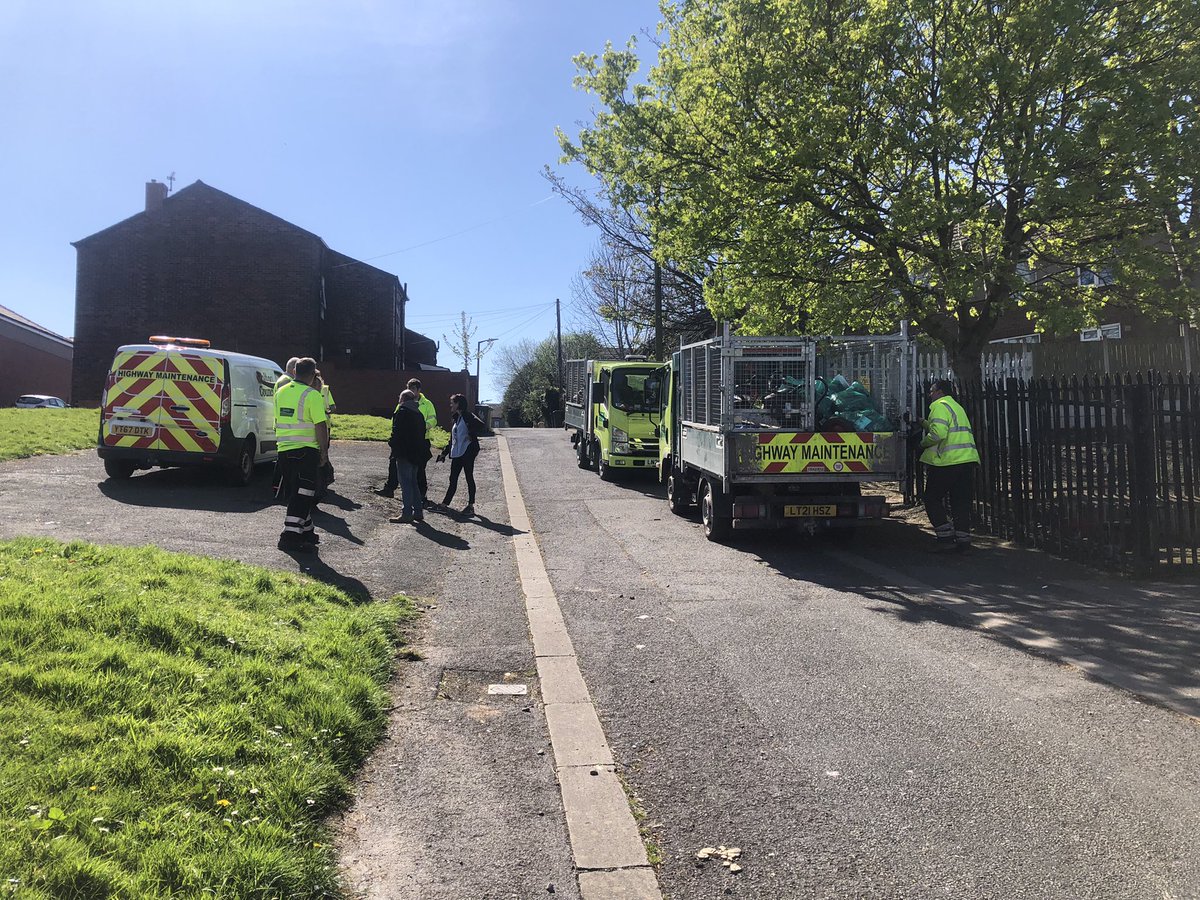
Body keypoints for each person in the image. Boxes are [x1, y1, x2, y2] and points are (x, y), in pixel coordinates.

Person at [918, 378, 980, 552]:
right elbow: (945, 427)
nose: (930, 394)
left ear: (940, 392)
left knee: (931, 498)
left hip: (947, 462)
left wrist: (922, 444)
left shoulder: (939, 405)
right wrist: (924, 423)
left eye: (932, 390)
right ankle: (964, 541)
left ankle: (945, 537)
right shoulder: (956, 407)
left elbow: (938, 434)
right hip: (966, 460)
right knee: (960, 501)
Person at [274, 358, 329, 552]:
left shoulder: (280, 392)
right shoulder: (312, 395)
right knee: (304, 492)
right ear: (313, 374)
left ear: (295, 371)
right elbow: (320, 425)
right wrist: (324, 452)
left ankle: (307, 531)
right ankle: (289, 537)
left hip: (283, 450)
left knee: (297, 491)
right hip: (306, 450)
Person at [438, 393, 484, 517]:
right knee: (453, 478)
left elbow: (481, 425)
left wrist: (471, 433)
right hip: (458, 453)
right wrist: (444, 453)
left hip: (468, 451)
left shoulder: (467, 416)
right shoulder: (456, 418)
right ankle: (444, 505)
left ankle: (470, 506)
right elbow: (453, 439)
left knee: (469, 476)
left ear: (458, 404)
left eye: (452, 402)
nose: (450, 405)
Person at [388, 389, 430, 524]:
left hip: (404, 453)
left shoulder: (402, 412)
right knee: (413, 482)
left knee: (405, 483)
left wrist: (392, 445)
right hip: (416, 454)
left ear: (403, 399)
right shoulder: (419, 414)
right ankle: (418, 511)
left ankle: (407, 513)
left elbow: (397, 433)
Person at [407, 378, 438, 508]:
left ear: (419, 390)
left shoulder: (427, 404)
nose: (411, 391)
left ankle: (422, 496)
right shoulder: (405, 401)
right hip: (409, 440)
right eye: (409, 388)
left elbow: (433, 419)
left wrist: (423, 426)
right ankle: (411, 496)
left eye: (413, 389)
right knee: (408, 469)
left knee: (420, 469)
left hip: (422, 440)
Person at [314, 369, 336, 484]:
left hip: (325, 424)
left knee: (323, 449)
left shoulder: (325, 390)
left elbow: (333, 406)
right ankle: (324, 475)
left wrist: (327, 410)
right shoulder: (309, 390)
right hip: (313, 424)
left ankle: (327, 474)